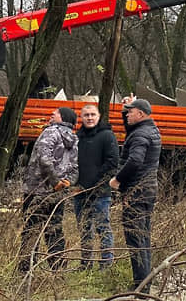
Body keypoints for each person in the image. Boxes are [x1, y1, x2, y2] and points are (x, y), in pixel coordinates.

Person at [109, 96, 161, 292]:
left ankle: (140, 288)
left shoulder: (140, 135)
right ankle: (145, 283)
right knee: (143, 238)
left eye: (130, 112)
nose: (126, 114)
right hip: (147, 191)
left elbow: (135, 161)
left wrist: (117, 180)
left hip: (136, 193)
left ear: (140, 114)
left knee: (135, 239)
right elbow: (130, 126)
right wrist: (129, 104)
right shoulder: (150, 129)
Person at [18, 107, 78, 272]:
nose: (52, 114)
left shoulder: (50, 132)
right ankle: (58, 270)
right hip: (58, 194)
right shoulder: (74, 138)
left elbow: (44, 159)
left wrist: (54, 182)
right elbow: (76, 167)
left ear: (63, 117)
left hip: (36, 190)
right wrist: (67, 183)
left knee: (31, 230)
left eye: (56, 113)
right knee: (55, 230)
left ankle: (25, 270)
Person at [74, 104, 119, 270]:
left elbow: (112, 162)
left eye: (93, 114)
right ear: (81, 117)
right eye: (86, 115)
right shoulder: (78, 137)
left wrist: (95, 183)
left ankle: (106, 263)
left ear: (99, 116)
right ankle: (86, 263)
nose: (90, 118)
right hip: (80, 191)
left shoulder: (107, 135)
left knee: (102, 227)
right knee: (84, 228)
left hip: (100, 192)